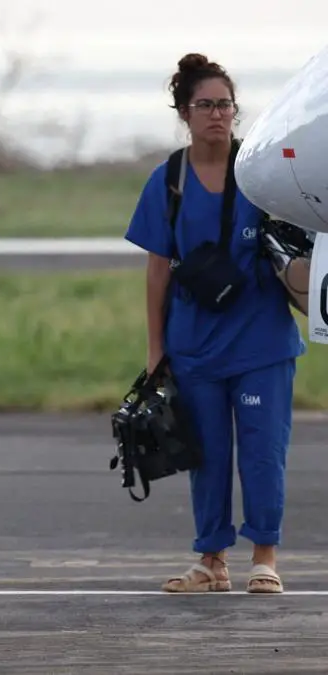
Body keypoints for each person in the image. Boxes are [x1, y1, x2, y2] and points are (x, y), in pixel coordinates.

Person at [124, 53, 304, 595]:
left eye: (225, 105)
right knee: (206, 458)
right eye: (205, 105)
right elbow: (157, 270)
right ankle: (211, 560)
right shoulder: (169, 179)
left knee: (262, 450)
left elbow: (301, 242)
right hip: (195, 347)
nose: (217, 115)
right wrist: (156, 351)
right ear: (184, 112)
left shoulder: (262, 173)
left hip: (262, 345)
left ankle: (265, 557)